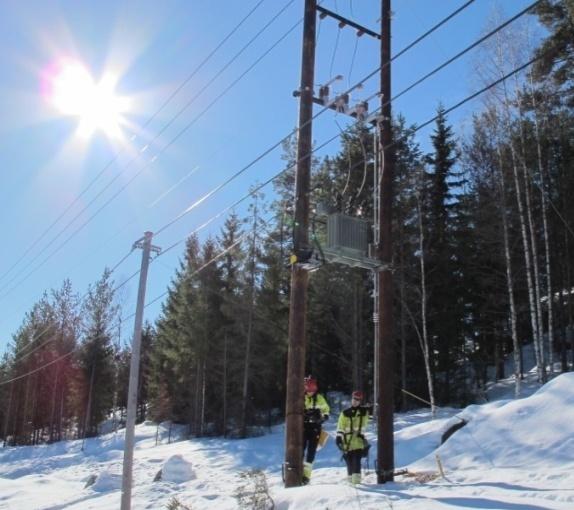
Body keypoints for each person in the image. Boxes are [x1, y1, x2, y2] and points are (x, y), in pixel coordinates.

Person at [336, 390, 371, 485]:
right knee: (349, 464)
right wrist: (339, 438)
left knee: (356, 462)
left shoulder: (364, 413)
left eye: (357, 399)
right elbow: (340, 427)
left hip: (358, 442)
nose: (355, 401)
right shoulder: (345, 413)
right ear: (351, 399)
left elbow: (365, 424)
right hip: (347, 444)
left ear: (360, 401)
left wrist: (368, 409)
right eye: (354, 399)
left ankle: (357, 484)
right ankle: (351, 484)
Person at [302, 375, 330, 485]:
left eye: (312, 390)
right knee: (300, 450)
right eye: (308, 390)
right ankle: (298, 472)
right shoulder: (301, 397)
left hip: (315, 428)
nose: (310, 392)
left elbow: (326, 411)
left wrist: (321, 418)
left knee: (311, 452)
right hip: (304, 427)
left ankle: (306, 476)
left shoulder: (319, 398)